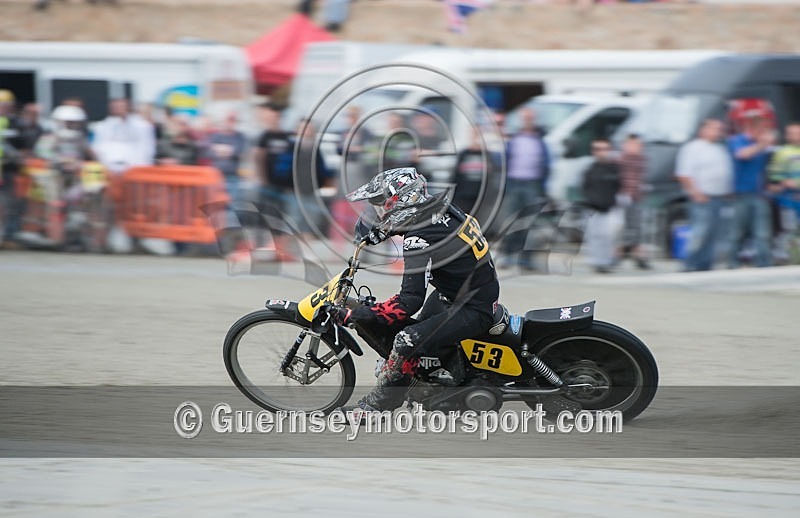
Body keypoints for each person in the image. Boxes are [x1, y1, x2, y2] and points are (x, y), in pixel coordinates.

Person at [334, 167, 500, 416]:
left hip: (472, 307)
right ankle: (432, 384)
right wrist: (384, 230)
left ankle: (377, 408)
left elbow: (408, 302)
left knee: (405, 340)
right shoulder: (440, 209)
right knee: (419, 340)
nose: (379, 213)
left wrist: (357, 315)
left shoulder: (419, 240)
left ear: (401, 202)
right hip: (460, 293)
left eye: (382, 206)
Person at [675, 119, 734, 272]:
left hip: (719, 197)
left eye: (720, 129)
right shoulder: (693, 148)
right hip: (702, 197)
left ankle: (705, 264)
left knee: (714, 233)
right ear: (703, 129)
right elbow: (684, 173)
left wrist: (727, 191)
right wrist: (695, 192)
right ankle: (689, 263)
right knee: (700, 231)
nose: (718, 132)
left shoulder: (719, 149)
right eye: (715, 128)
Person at [498, 107, 550, 270]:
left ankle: (526, 259)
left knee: (530, 222)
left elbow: (547, 164)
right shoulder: (514, 139)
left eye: (530, 118)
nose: (528, 121)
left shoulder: (539, 140)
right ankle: (507, 255)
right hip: (514, 183)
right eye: (525, 118)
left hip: (532, 184)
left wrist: (544, 186)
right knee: (511, 220)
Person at [726, 111, 775, 268]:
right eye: (762, 130)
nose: (764, 134)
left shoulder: (761, 147)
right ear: (752, 129)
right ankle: (732, 263)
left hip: (759, 194)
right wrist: (761, 145)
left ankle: (764, 264)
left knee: (762, 233)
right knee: (736, 233)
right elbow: (742, 155)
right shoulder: (737, 141)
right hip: (741, 194)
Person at [581, 138, 622, 274]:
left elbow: (619, 187)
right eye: (598, 149)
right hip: (594, 208)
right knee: (596, 236)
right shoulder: (589, 169)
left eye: (605, 149)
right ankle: (598, 262)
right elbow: (585, 188)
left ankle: (607, 260)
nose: (602, 152)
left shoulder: (614, 169)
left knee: (610, 235)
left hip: (610, 208)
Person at [92, 98, 155, 174]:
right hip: (109, 169)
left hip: (136, 169)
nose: (118, 109)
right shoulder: (101, 126)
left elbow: (148, 148)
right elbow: (98, 148)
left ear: (128, 107)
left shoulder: (142, 126)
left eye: (121, 106)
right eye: (115, 107)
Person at [767, 122, 800, 263]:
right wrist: (783, 184)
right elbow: (775, 178)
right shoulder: (781, 153)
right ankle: (782, 256)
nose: (795, 136)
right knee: (788, 229)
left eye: (797, 132)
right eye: (791, 133)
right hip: (788, 200)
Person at [616, 133, 650, 269]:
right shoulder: (620, 160)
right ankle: (618, 255)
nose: (636, 147)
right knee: (623, 228)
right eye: (633, 144)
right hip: (623, 198)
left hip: (637, 197)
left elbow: (642, 179)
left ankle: (637, 255)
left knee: (637, 228)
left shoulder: (642, 160)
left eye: (639, 145)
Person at [205, 112, 247, 201]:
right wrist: (228, 150)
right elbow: (208, 153)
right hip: (216, 175)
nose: (230, 123)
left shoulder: (240, 137)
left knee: (233, 203)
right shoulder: (215, 136)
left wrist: (219, 149)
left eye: (232, 121)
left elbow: (238, 152)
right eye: (228, 120)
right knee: (214, 202)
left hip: (232, 175)